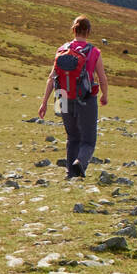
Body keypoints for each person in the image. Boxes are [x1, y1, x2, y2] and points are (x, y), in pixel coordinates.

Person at [38, 15, 108, 178]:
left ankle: (70, 173)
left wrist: (44, 103)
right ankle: (80, 164)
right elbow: (102, 78)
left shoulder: (62, 50)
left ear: (73, 30)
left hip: (62, 98)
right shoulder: (94, 52)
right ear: (88, 32)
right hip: (85, 99)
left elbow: (51, 77)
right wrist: (104, 95)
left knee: (72, 137)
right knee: (89, 141)